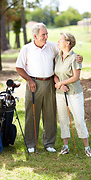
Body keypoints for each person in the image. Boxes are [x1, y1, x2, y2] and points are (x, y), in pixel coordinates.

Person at [16, 23, 83, 153]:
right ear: (35, 36)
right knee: (32, 114)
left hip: (50, 83)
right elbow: (19, 67)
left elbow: (67, 53)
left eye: (47, 34)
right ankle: (31, 144)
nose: (46, 36)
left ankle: (49, 143)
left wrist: (79, 57)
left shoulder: (52, 46)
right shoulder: (26, 49)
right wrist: (29, 80)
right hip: (33, 83)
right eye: (43, 34)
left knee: (50, 114)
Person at [54, 32, 91, 157]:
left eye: (61, 40)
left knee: (79, 119)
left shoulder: (75, 58)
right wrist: (59, 84)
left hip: (74, 93)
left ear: (68, 43)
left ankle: (87, 147)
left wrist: (61, 83)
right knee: (63, 120)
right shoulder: (57, 57)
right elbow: (55, 74)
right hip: (60, 94)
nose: (58, 41)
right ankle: (65, 146)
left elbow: (76, 77)